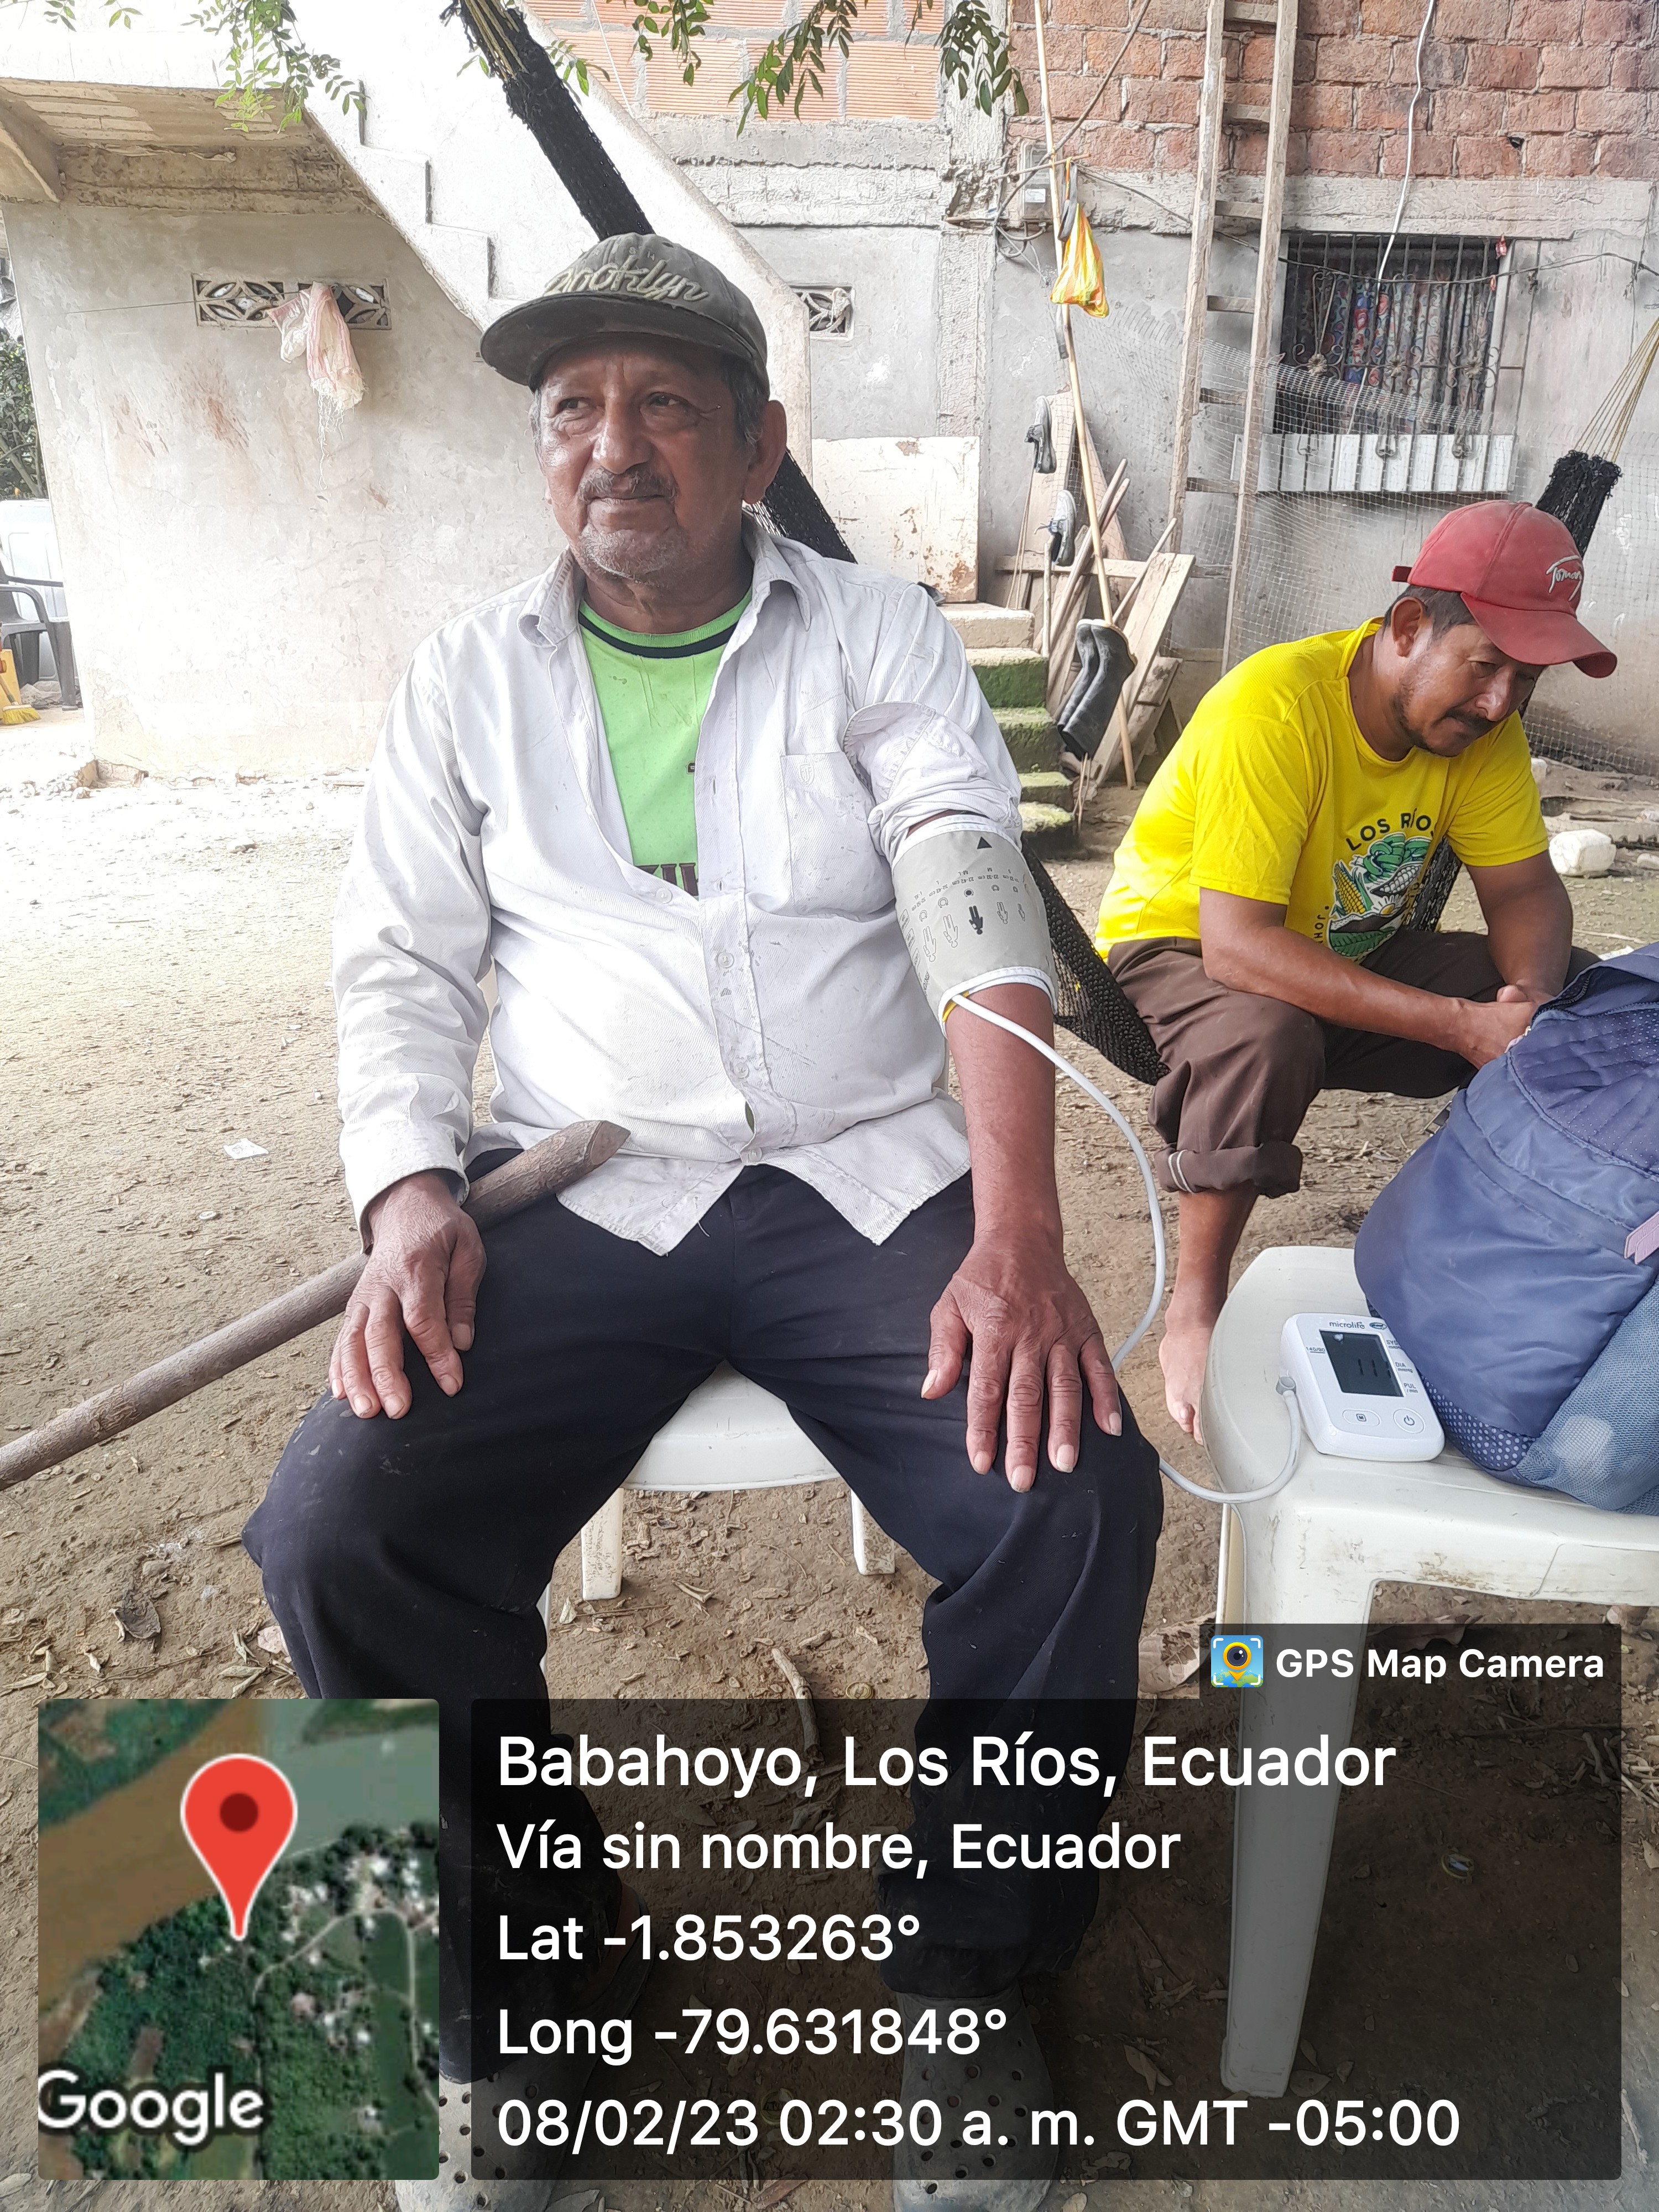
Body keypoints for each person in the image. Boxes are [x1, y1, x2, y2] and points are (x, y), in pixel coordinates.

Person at [244, 234, 1162, 2212]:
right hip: (583, 1182)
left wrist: (1018, 1232)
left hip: (863, 1174)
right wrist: (410, 1192)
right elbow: (399, 962)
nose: (614, 448)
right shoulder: (467, 678)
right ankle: (527, 2005)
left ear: (757, 445)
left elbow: (973, 899)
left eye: (666, 405)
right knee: (346, 1523)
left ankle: (972, 1982)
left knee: (1070, 1493)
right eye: (573, 409)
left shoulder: (880, 634)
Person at [1094, 499, 1614, 1438]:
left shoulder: (1485, 735)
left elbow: (1527, 893)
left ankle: (1507, 1266)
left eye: (1526, 680)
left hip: (1344, 949)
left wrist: (1526, 1005)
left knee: (1582, 1000)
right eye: (1486, 666)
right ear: (1409, 627)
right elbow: (1239, 946)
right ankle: (1196, 1306)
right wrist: (1461, 1026)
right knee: (1266, 1032)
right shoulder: (1275, 705)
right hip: (1177, 949)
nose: (1500, 703)